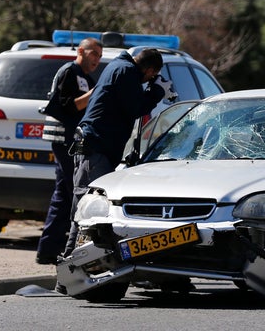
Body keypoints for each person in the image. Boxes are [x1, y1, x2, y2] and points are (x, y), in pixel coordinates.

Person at [63, 48, 172, 257]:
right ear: (149, 69)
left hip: (96, 145)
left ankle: (78, 260)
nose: (150, 79)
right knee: (88, 206)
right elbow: (135, 107)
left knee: (90, 205)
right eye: (152, 75)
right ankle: (70, 260)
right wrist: (157, 92)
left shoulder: (119, 67)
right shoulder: (126, 72)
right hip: (96, 147)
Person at [35, 37, 103, 265]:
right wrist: (96, 93)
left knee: (63, 195)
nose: (97, 59)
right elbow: (67, 106)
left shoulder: (83, 77)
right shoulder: (69, 72)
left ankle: (48, 250)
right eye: (94, 53)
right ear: (81, 51)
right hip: (63, 141)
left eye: (100, 56)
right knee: (71, 192)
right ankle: (59, 250)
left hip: (71, 142)